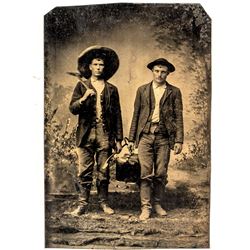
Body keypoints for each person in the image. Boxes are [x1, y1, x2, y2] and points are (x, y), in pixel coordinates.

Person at [69, 46, 123, 215]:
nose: (99, 67)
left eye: (101, 64)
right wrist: (84, 98)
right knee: (84, 170)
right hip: (85, 135)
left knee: (103, 170)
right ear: (90, 67)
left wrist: (119, 139)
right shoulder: (81, 86)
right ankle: (82, 204)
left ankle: (104, 203)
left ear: (104, 67)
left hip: (104, 134)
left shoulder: (112, 89)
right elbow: (73, 108)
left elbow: (117, 115)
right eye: (95, 64)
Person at [128, 58, 184, 221]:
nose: (159, 74)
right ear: (152, 72)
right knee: (145, 173)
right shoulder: (142, 90)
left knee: (160, 172)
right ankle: (146, 207)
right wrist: (132, 139)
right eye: (157, 71)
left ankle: (158, 203)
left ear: (168, 73)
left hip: (164, 138)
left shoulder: (174, 92)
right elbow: (136, 115)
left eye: (163, 71)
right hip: (145, 136)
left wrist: (179, 140)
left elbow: (178, 117)